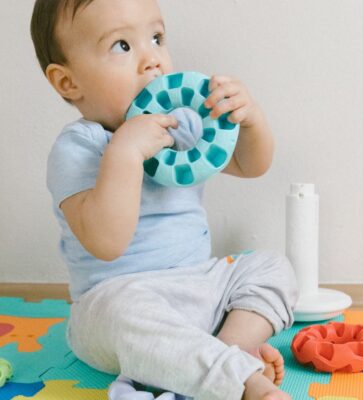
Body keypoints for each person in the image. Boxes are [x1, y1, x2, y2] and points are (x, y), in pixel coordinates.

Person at [30, 1, 299, 399]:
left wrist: (250, 118)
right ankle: (239, 382)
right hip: (118, 303)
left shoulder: (182, 122)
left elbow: (249, 164)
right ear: (68, 82)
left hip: (199, 287)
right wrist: (125, 153)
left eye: (156, 37)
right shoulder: (77, 150)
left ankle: (230, 350)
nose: (152, 60)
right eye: (122, 46)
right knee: (123, 314)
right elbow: (107, 243)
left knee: (272, 267)